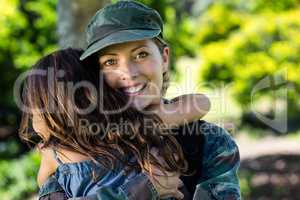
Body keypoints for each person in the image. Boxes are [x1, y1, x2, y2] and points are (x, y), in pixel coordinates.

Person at [37, 1, 241, 199]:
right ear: (96, 74)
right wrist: (141, 190)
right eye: (110, 61)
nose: (128, 72)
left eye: (141, 54)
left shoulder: (208, 141)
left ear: (164, 58)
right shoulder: (76, 148)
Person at [19, 48, 210, 199]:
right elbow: (46, 186)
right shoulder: (54, 154)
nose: (35, 120)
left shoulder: (126, 126)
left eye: (37, 110)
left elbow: (201, 103)